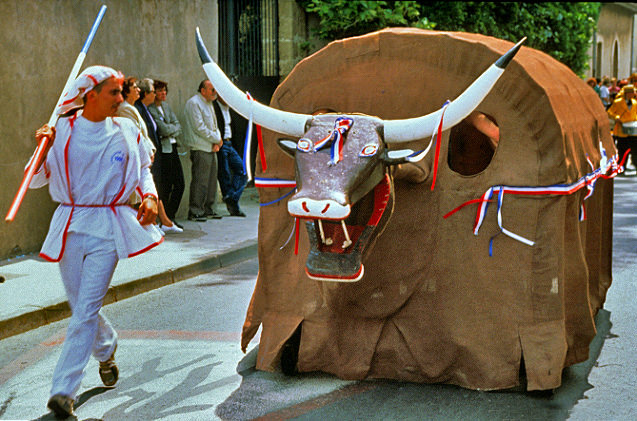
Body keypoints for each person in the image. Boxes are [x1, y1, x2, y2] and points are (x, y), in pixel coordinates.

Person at [29, 66, 162, 418]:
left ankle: (62, 393)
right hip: (70, 224)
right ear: (90, 96)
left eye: (122, 92)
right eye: (114, 93)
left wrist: (149, 195)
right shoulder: (61, 133)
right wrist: (41, 148)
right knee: (81, 308)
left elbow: (144, 169)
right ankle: (106, 347)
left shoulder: (127, 130)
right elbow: (34, 182)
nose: (121, 99)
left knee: (85, 308)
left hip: (108, 224)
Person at [134, 79, 181, 233]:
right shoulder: (140, 109)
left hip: (157, 153)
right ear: (145, 94)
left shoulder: (146, 109)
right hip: (149, 155)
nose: (156, 94)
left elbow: (176, 125)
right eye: (154, 91)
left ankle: (164, 221)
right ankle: (156, 222)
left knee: (162, 186)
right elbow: (160, 131)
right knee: (156, 188)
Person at [183, 79, 223, 221]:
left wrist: (217, 140)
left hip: (211, 147)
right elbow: (199, 127)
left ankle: (209, 209)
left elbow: (214, 124)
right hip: (200, 147)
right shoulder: (194, 103)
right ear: (203, 90)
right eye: (212, 89)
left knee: (212, 180)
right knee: (200, 180)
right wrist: (216, 139)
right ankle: (195, 211)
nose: (215, 92)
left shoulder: (209, 103)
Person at [148, 80, 185, 228]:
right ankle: (165, 219)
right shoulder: (150, 109)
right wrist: (171, 129)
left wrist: (171, 129)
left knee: (180, 184)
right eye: (160, 91)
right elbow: (162, 130)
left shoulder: (166, 107)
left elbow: (178, 126)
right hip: (164, 151)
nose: (163, 93)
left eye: (165, 90)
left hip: (173, 147)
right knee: (165, 185)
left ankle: (170, 215)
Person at [213, 96, 248, 216]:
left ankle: (231, 196)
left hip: (230, 143)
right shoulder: (214, 107)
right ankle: (233, 207)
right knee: (225, 174)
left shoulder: (231, 108)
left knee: (242, 170)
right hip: (221, 143)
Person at [608, 84, 637, 172]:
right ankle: (621, 166)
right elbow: (610, 112)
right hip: (622, 129)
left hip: (633, 129)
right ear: (627, 93)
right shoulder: (618, 102)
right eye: (632, 92)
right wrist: (616, 117)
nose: (633, 94)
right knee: (622, 149)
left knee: (635, 149)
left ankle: (636, 164)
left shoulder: (635, 102)